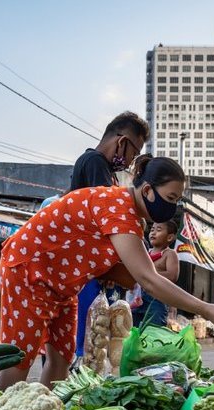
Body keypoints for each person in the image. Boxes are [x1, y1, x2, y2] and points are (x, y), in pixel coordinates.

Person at [0, 155, 214, 388]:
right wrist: (206, 309)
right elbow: (148, 279)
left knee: (61, 356)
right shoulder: (119, 208)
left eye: (176, 200)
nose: (172, 206)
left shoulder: (131, 218)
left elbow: (130, 275)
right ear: (147, 191)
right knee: (19, 357)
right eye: (170, 197)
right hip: (29, 269)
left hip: (62, 284)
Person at [71, 112, 150, 361]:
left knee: (92, 344)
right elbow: (108, 222)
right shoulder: (95, 162)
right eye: (132, 152)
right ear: (121, 141)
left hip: (88, 268)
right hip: (84, 269)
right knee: (87, 347)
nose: (130, 161)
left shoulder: (103, 169)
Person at [132, 220, 180, 327]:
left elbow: (172, 276)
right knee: (133, 329)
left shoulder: (169, 254)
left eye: (158, 230)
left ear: (169, 237)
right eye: (152, 230)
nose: (153, 233)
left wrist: (149, 273)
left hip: (157, 299)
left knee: (153, 330)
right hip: (138, 298)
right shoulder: (145, 252)